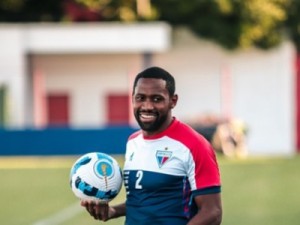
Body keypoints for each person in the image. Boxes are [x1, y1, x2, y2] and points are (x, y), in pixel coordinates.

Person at [81, 66, 222, 225]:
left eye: (157, 99)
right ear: (133, 98)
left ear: (173, 101)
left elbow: (212, 213)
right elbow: (142, 201)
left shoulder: (194, 145)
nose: (147, 106)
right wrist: (113, 211)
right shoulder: (133, 142)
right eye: (141, 98)